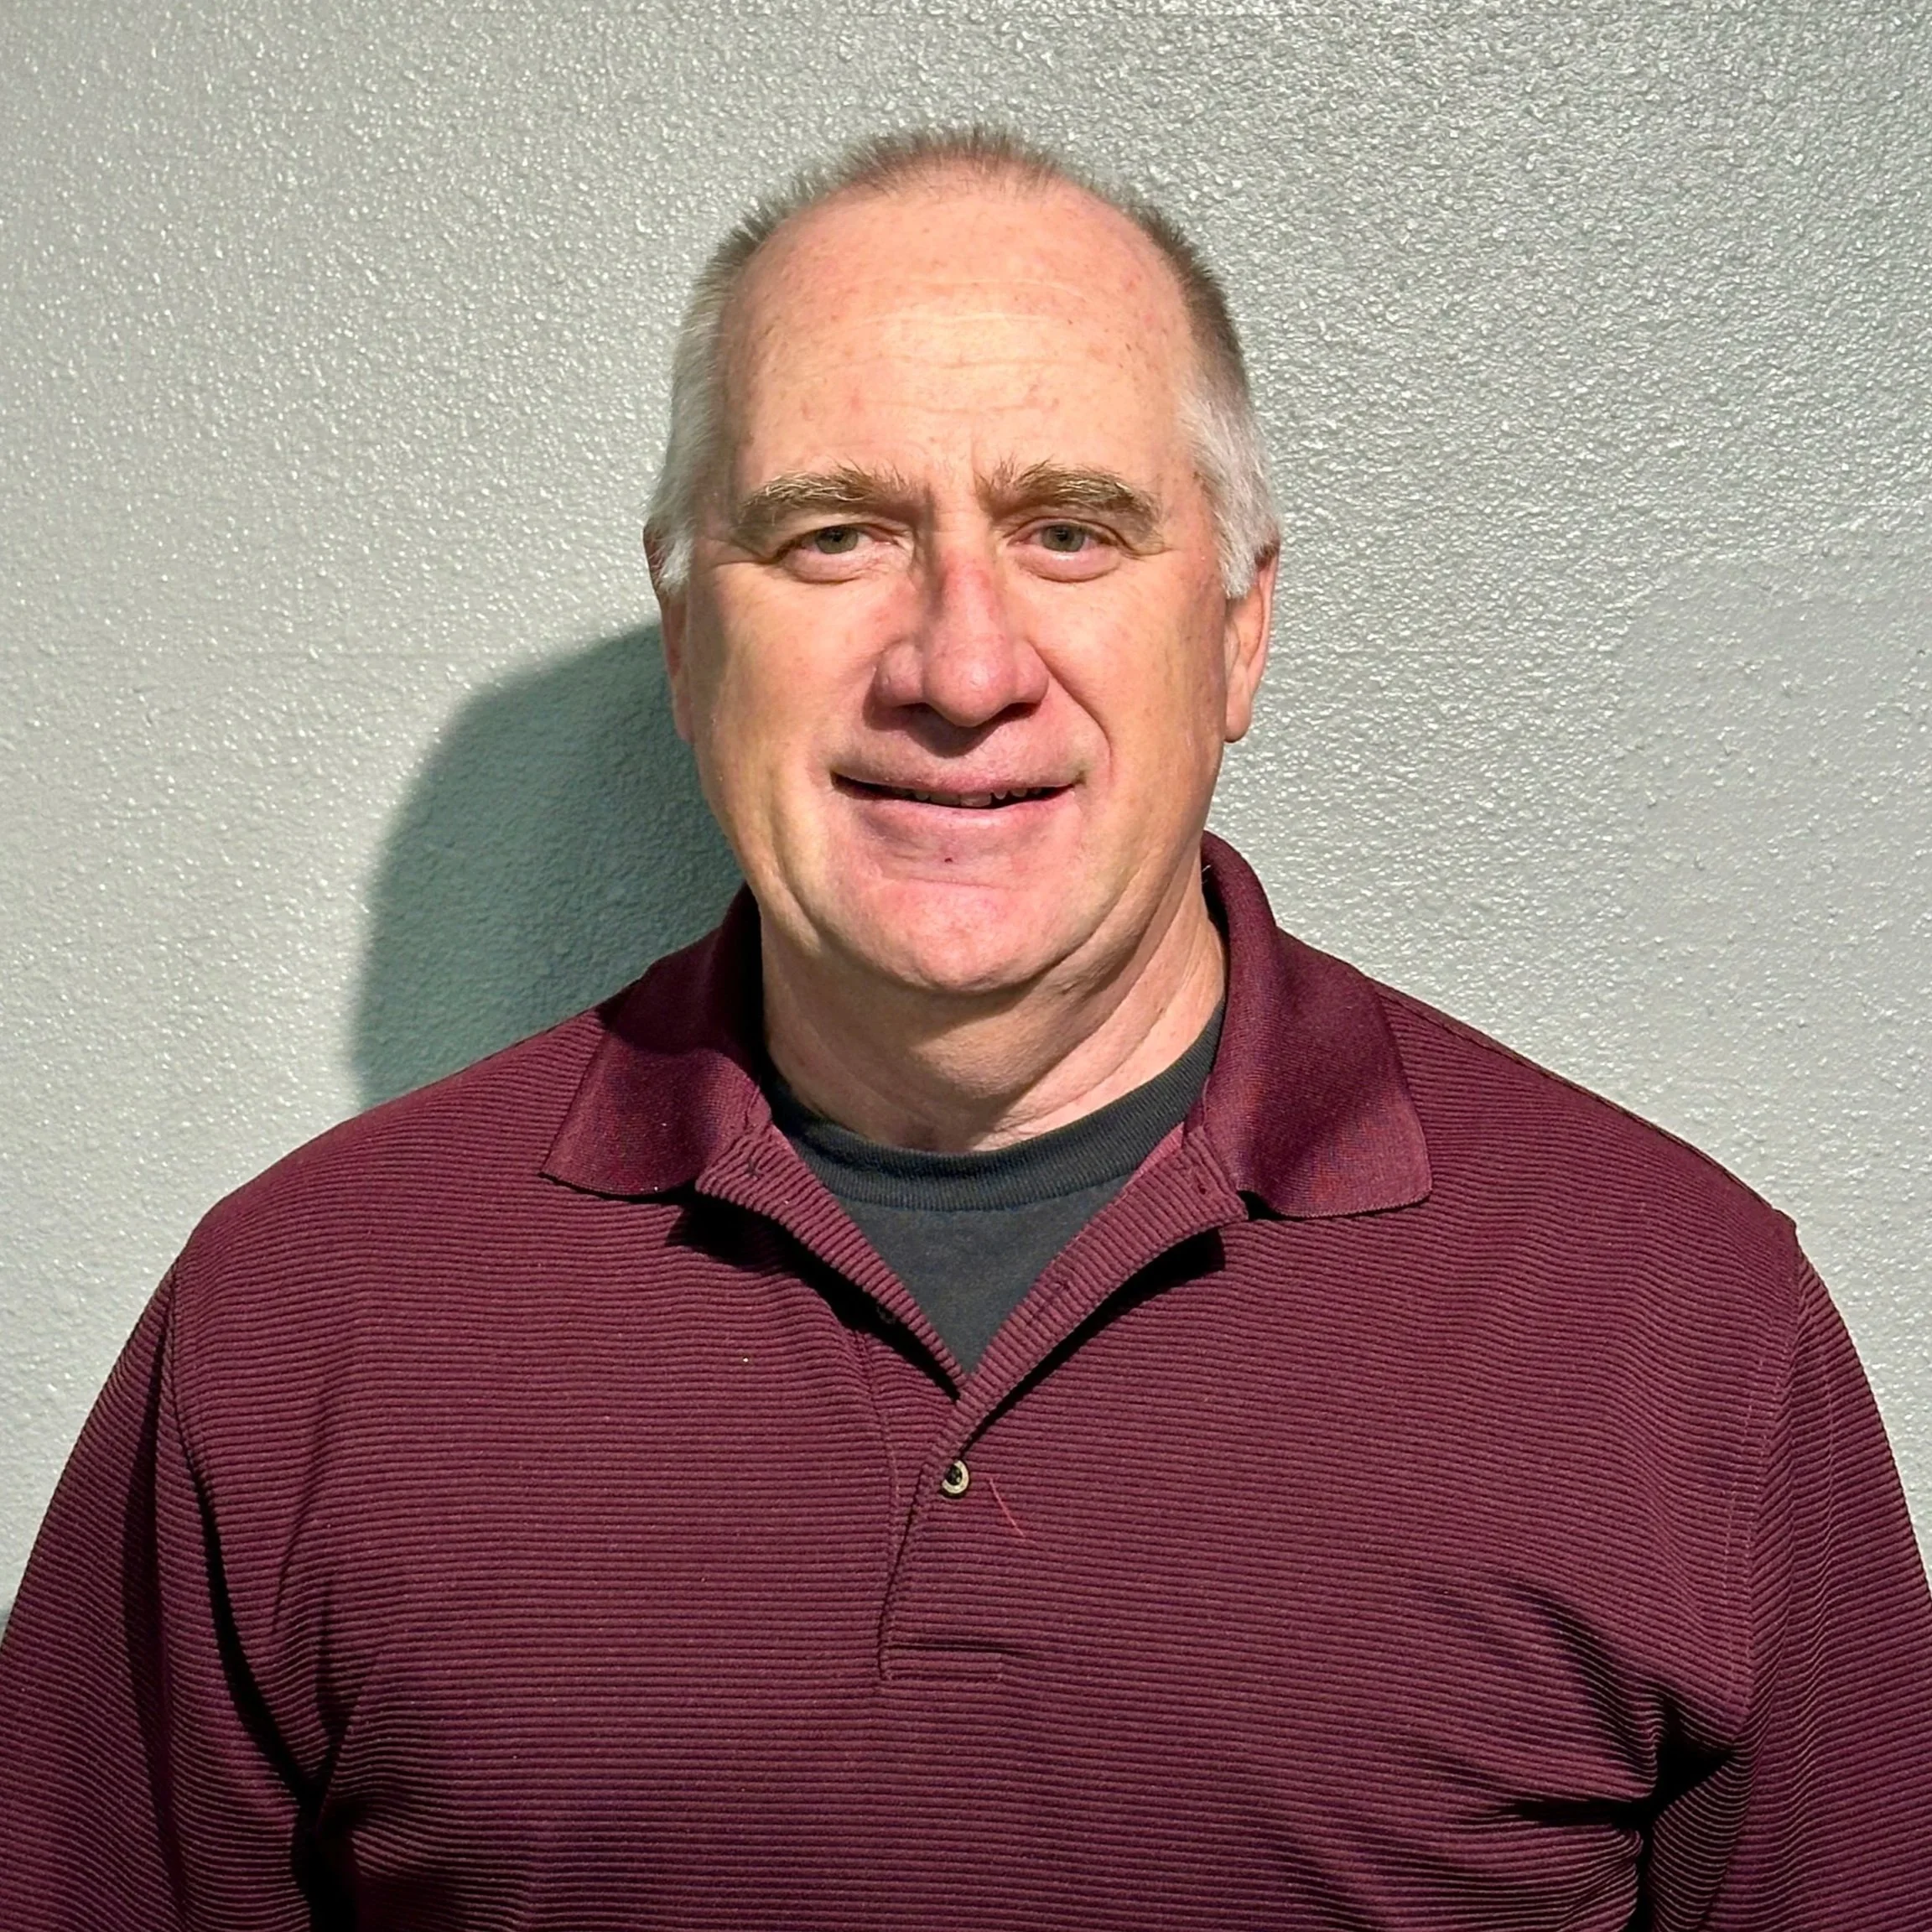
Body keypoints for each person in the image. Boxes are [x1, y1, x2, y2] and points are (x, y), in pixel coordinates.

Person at [2, 125, 1928, 1931]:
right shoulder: (296, 1325)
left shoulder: (1678, 1326)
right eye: (835, 534)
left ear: (1242, 631)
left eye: (1073, 531)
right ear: (689, 640)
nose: (962, 666)